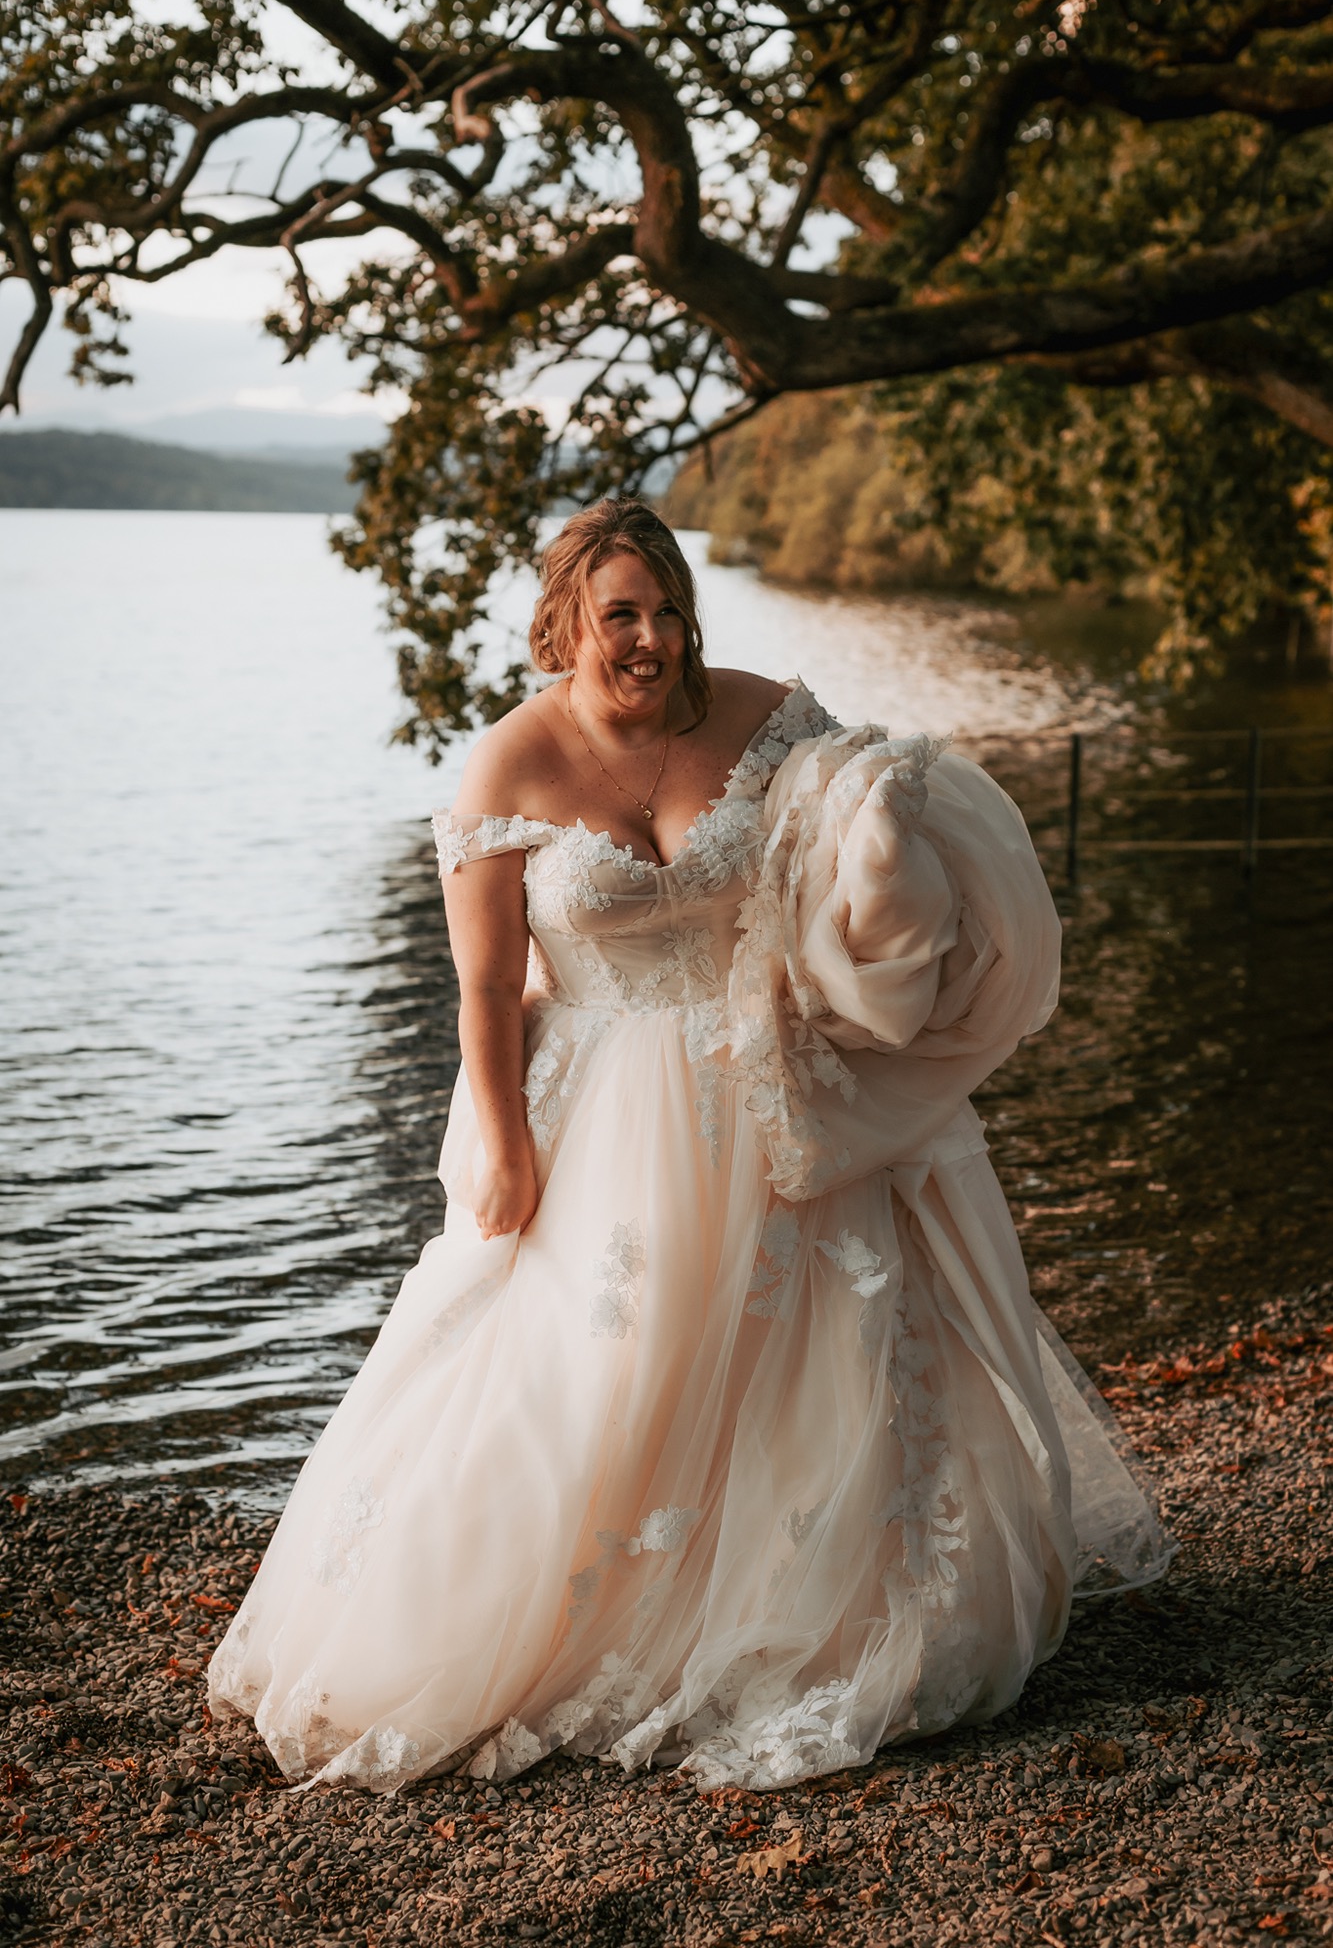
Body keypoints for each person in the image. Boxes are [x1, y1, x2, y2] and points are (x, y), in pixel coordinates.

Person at [208, 498, 1171, 1793]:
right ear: (564, 624)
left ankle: (826, 1609)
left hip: (772, 1091)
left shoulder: (769, 719)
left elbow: (861, 830)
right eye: (622, 615)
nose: (652, 638)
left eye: (670, 611)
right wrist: (501, 1144)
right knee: (594, 1366)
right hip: (598, 1110)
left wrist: (878, 887)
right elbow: (486, 987)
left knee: (817, 1354)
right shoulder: (506, 766)